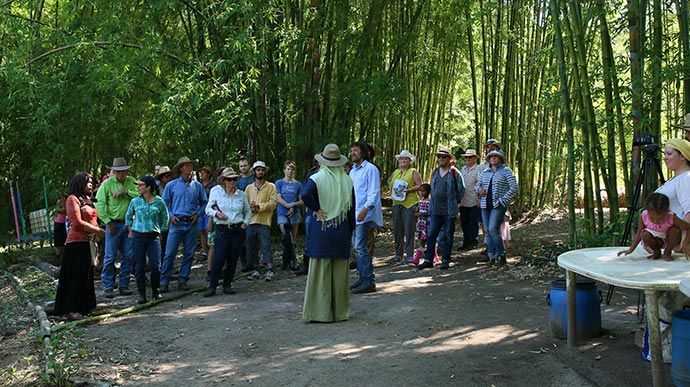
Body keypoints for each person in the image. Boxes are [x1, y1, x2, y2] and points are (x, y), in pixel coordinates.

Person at [301, 144, 355, 322]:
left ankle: (320, 313)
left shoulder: (317, 178)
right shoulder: (347, 180)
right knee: (339, 271)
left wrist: (316, 209)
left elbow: (305, 194)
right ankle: (340, 312)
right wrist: (349, 230)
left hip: (322, 227)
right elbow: (351, 209)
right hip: (341, 229)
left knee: (321, 269)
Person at [54, 172, 105, 321]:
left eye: (91, 182)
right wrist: (98, 231)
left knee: (86, 277)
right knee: (75, 277)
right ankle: (72, 309)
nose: (90, 184)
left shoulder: (87, 200)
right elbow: (76, 223)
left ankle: (86, 307)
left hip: (88, 243)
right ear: (79, 183)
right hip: (76, 243)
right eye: (87, 182)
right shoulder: (72, 199)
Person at [160, 156, 208, 292]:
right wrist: (170, 215)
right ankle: (164, 281)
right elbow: (164, 203)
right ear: (181, 169)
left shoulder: (197, 186)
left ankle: (183, 280)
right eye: (187, 166)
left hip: (191, 223)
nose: (190, 168)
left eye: (191, 166)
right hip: (177, 223)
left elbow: (205, 202)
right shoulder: (172, 185)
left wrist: (198, 214)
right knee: (169, 253)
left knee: (189, 253)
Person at [203, 167, 251, 297]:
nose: (232, 182)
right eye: (229, 179)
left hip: (237, 229)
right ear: (223, 180)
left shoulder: (241, 194)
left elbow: (247, 211)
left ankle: (227, 284)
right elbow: (208, 208)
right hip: (222, 229)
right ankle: (212, 285)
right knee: (219, 257)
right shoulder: (216, 192)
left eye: (234, 179)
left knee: (233, 258)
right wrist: (216, 213)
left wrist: (245, 223)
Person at [95, 157, 138, 298]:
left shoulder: (132, 181)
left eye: (123, 171)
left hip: (129, 224)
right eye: (118, 172)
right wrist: (107, 222)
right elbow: (99, 204)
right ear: (113, 171)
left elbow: (141, 195)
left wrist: (126, 192)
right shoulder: (106, 184)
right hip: (113, 224)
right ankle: (108, 285)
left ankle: (123, 284)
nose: (121, 174)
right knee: (110, 256)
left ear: (126, 171)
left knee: (128, 256)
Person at [417, 146, 465, 270]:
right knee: (431, 235)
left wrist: (455, 202)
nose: (441, 159)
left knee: (448, 235)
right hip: (435, 210)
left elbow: (461, 190)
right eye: (439, 157)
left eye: (444, 156)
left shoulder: (454, 172)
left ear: (449, 159)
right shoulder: (435, 172)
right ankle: (428, 259)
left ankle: (445, 259)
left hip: (449, 210)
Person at [125, 176, 169, 304]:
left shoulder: (159, 202)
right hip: (138, 236)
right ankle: (142, 295)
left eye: (140, 185)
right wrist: (130, 230)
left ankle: (156, 292)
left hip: (153, 236)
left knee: (156, 266)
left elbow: (165, 218)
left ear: (148, 187)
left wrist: (161, 231)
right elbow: (128, 217)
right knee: (139, 266)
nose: (138, 188)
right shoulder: (135, 202)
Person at [349, 141, 383, 294]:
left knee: (360, 246)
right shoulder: (353, 171)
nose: (353, 153)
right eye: (351, 151)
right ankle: (363, 278)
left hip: (364, 214)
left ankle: (369, 280)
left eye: (355, 150)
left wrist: (365, 209)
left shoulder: (371, 169)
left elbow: (374, 192)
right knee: (357, 246)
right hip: (354, 213)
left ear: (363, 152)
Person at [476, 149, 518, 266]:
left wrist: (503, 200)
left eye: (496, 156)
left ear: (501, 159)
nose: (493, 158)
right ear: (488, 159)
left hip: (497, 205)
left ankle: (501, 254)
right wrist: (479, 190)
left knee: (493, 229)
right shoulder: (485, 172)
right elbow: (477, 185)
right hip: (485, 204)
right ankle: (491, 256)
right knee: (488, 231)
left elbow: (514, 187)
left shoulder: (506, 171)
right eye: (491, 156)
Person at [617, 193, 690, 261]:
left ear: (666, 212)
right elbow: (639, 233)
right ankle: (656, 252)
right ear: (647, 211)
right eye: (652, 218)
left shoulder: (671, 217)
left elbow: (688, 228)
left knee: (675, 231)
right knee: (644, 234)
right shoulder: (643, 216)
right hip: (655, 239)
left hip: (669, 238)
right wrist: (631, 249)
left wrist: (685, 244)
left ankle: (667, 252)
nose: (656, 221)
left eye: (661, 219)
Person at [387, 150, 422, 265]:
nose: (403, 160)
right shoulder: (396, 172)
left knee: (409, 230)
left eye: (405, 159)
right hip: (396, 203)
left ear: (409, 161)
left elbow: (420, 186)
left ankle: (409, 255)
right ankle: (398, 254)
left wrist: (410, 190)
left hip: (409, 204)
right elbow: (389, 181)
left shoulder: (413, 172)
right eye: (401, 159)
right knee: (397, 230)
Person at [245, 161, 278, 281]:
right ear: (254, 172)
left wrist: (260, 207)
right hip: (251, 221)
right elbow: (245, 204)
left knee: (266, 245)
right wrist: (251, 208)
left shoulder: (271, 186)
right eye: (258, 170)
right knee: (252, 246)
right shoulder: (249, 188)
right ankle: (256, 269)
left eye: (262, 170)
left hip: (264, 221)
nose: (260, 172)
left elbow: (273, 203)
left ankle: (269, 269)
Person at [275, 160, 304, 271]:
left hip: (295, 213)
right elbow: (278, 198)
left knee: (293, 238)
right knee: (287, 234)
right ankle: (289, 260)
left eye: (292, 169)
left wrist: (293, 205)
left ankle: (292, 261)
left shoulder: (298, 184)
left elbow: (301, 201)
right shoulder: (279, 183)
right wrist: (287, 205)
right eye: (288, 169)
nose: (290, 171)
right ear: (284, 170)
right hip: (282, 212)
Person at [459, 149, 481, 250]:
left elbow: (480, 184)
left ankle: (473, 241)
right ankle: (466, 241)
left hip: (473, 199)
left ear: (474, 159)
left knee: (473, 221)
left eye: (470, 157)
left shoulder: (478, 169)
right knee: (464, 222)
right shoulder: (462, 169)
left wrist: (479, 199)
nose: (468, 159)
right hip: (463, 200)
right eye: (466, 157)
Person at [236, 157, 255, 272]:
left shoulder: (254, 178)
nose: (243, 168)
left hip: (254, 211)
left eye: (245, 165)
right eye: (241, 166)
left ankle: (252, 262)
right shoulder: (237, 180)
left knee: (251, 238)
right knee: (241, 239)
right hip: (241, 213)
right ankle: (244, 263)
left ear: (249, 166)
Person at [154, 165, 174, 259]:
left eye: (170, 175)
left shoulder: (173, 188)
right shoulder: (156, 189)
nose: (169, 178)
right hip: (159, 219)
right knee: (161, 242)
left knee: (170, 243)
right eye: (166, 176)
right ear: (161, 178)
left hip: (172, 218)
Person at [410, 183, 431, 265]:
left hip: (428, 222)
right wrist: (415, 210)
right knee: (421, 238)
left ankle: (432, 255)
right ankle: (419, 255)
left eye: (423, 191)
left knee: (429, 238)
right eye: (420, 191)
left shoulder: (430, 201)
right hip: (421, 223)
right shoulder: (420, 201)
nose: (422, 193)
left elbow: (428, 212)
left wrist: (420, 213)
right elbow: (417, 210)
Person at [198, 166, 216, 261]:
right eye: (201, 173)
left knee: (208, 230)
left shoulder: (213, 185)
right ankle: (204, 251)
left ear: (208, 174)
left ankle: (211, 251)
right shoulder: (198, 184)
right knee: (201, 231)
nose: (202, 175)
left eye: (204, 173)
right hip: (200, 210)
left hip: (210, 210)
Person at [53, 193, 67, 263]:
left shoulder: (68, 200)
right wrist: (65, 210)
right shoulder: (59, 201)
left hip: (66, 222)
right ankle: (58, 255)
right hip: (59, 221)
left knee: (65, 239)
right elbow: (58, 210)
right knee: (58, 239)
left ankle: (64, 255)